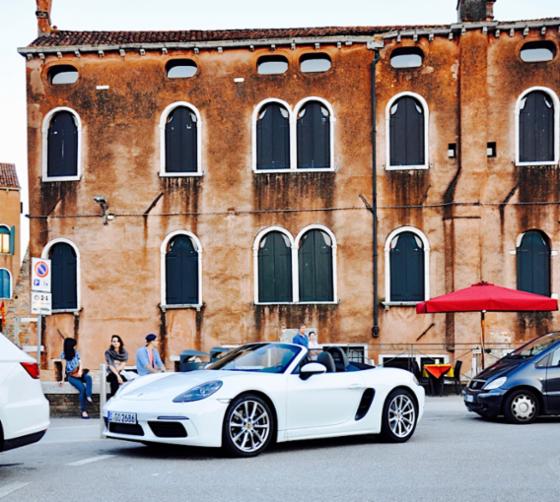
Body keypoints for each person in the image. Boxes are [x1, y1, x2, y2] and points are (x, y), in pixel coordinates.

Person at [60, 338, 93, 419]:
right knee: (82, 389)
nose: (75, 347)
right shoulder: (63, 355)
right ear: (70, 346)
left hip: (79, 372)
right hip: (71, 376)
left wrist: (80, 372)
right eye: (74, 345)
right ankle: (83, 411)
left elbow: (80, 363)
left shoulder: (76, 353)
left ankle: (88, 395)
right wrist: (62, 379)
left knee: (88, 377)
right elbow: (63, 368)